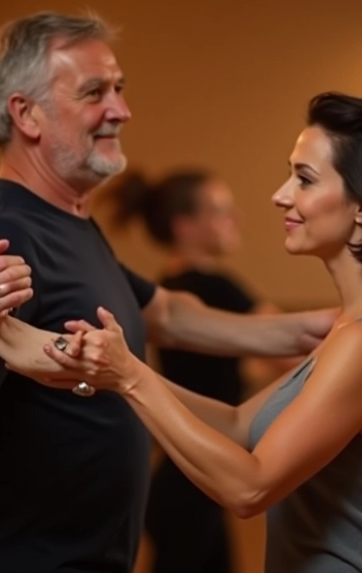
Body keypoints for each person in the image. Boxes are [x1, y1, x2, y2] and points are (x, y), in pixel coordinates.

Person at [0, 11, 335, 573]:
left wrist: (325, 325)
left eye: (119, 89)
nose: (121, 110)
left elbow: (168, 314)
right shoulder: (7, 232)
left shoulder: (72, 223)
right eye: (94, 92)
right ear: (26, 114)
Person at [0, 91, 362, 573]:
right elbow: (237, 425)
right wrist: (111, 373)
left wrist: (129, 376)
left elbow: (248, 488)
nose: (281, 195)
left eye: (304, 179)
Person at [108, 168, 296, 572]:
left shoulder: (170, 285)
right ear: (185, 226)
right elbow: (291, 353)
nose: (236, 218)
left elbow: (216, 375)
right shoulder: (213, 288)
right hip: (193, 480)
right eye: (220, 210)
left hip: (188, 472)